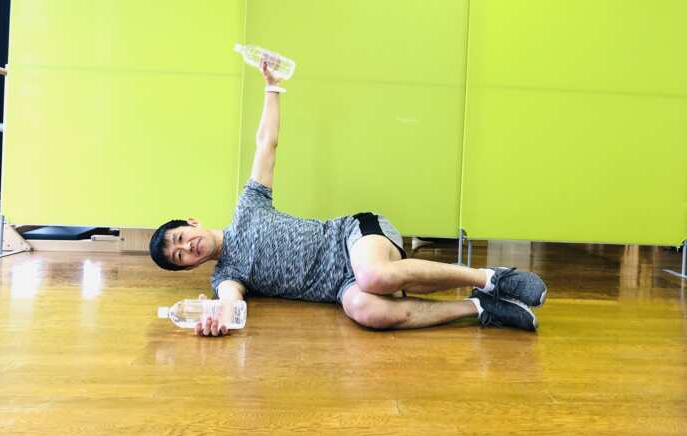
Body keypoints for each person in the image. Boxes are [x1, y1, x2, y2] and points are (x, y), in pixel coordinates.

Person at [150, 58, 547, 337]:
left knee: (374, 275)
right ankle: (480, 308)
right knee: (364, 308)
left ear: (192, 222)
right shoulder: (226, 277)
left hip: (353, 236)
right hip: (341, 285)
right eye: (180, 256)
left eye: (180, 237)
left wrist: (272, 87)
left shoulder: (248, 208)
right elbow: (232, 306)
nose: (187, 247)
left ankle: (493, 279)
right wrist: (216, 319)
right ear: (189, 267)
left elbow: (265, 144)